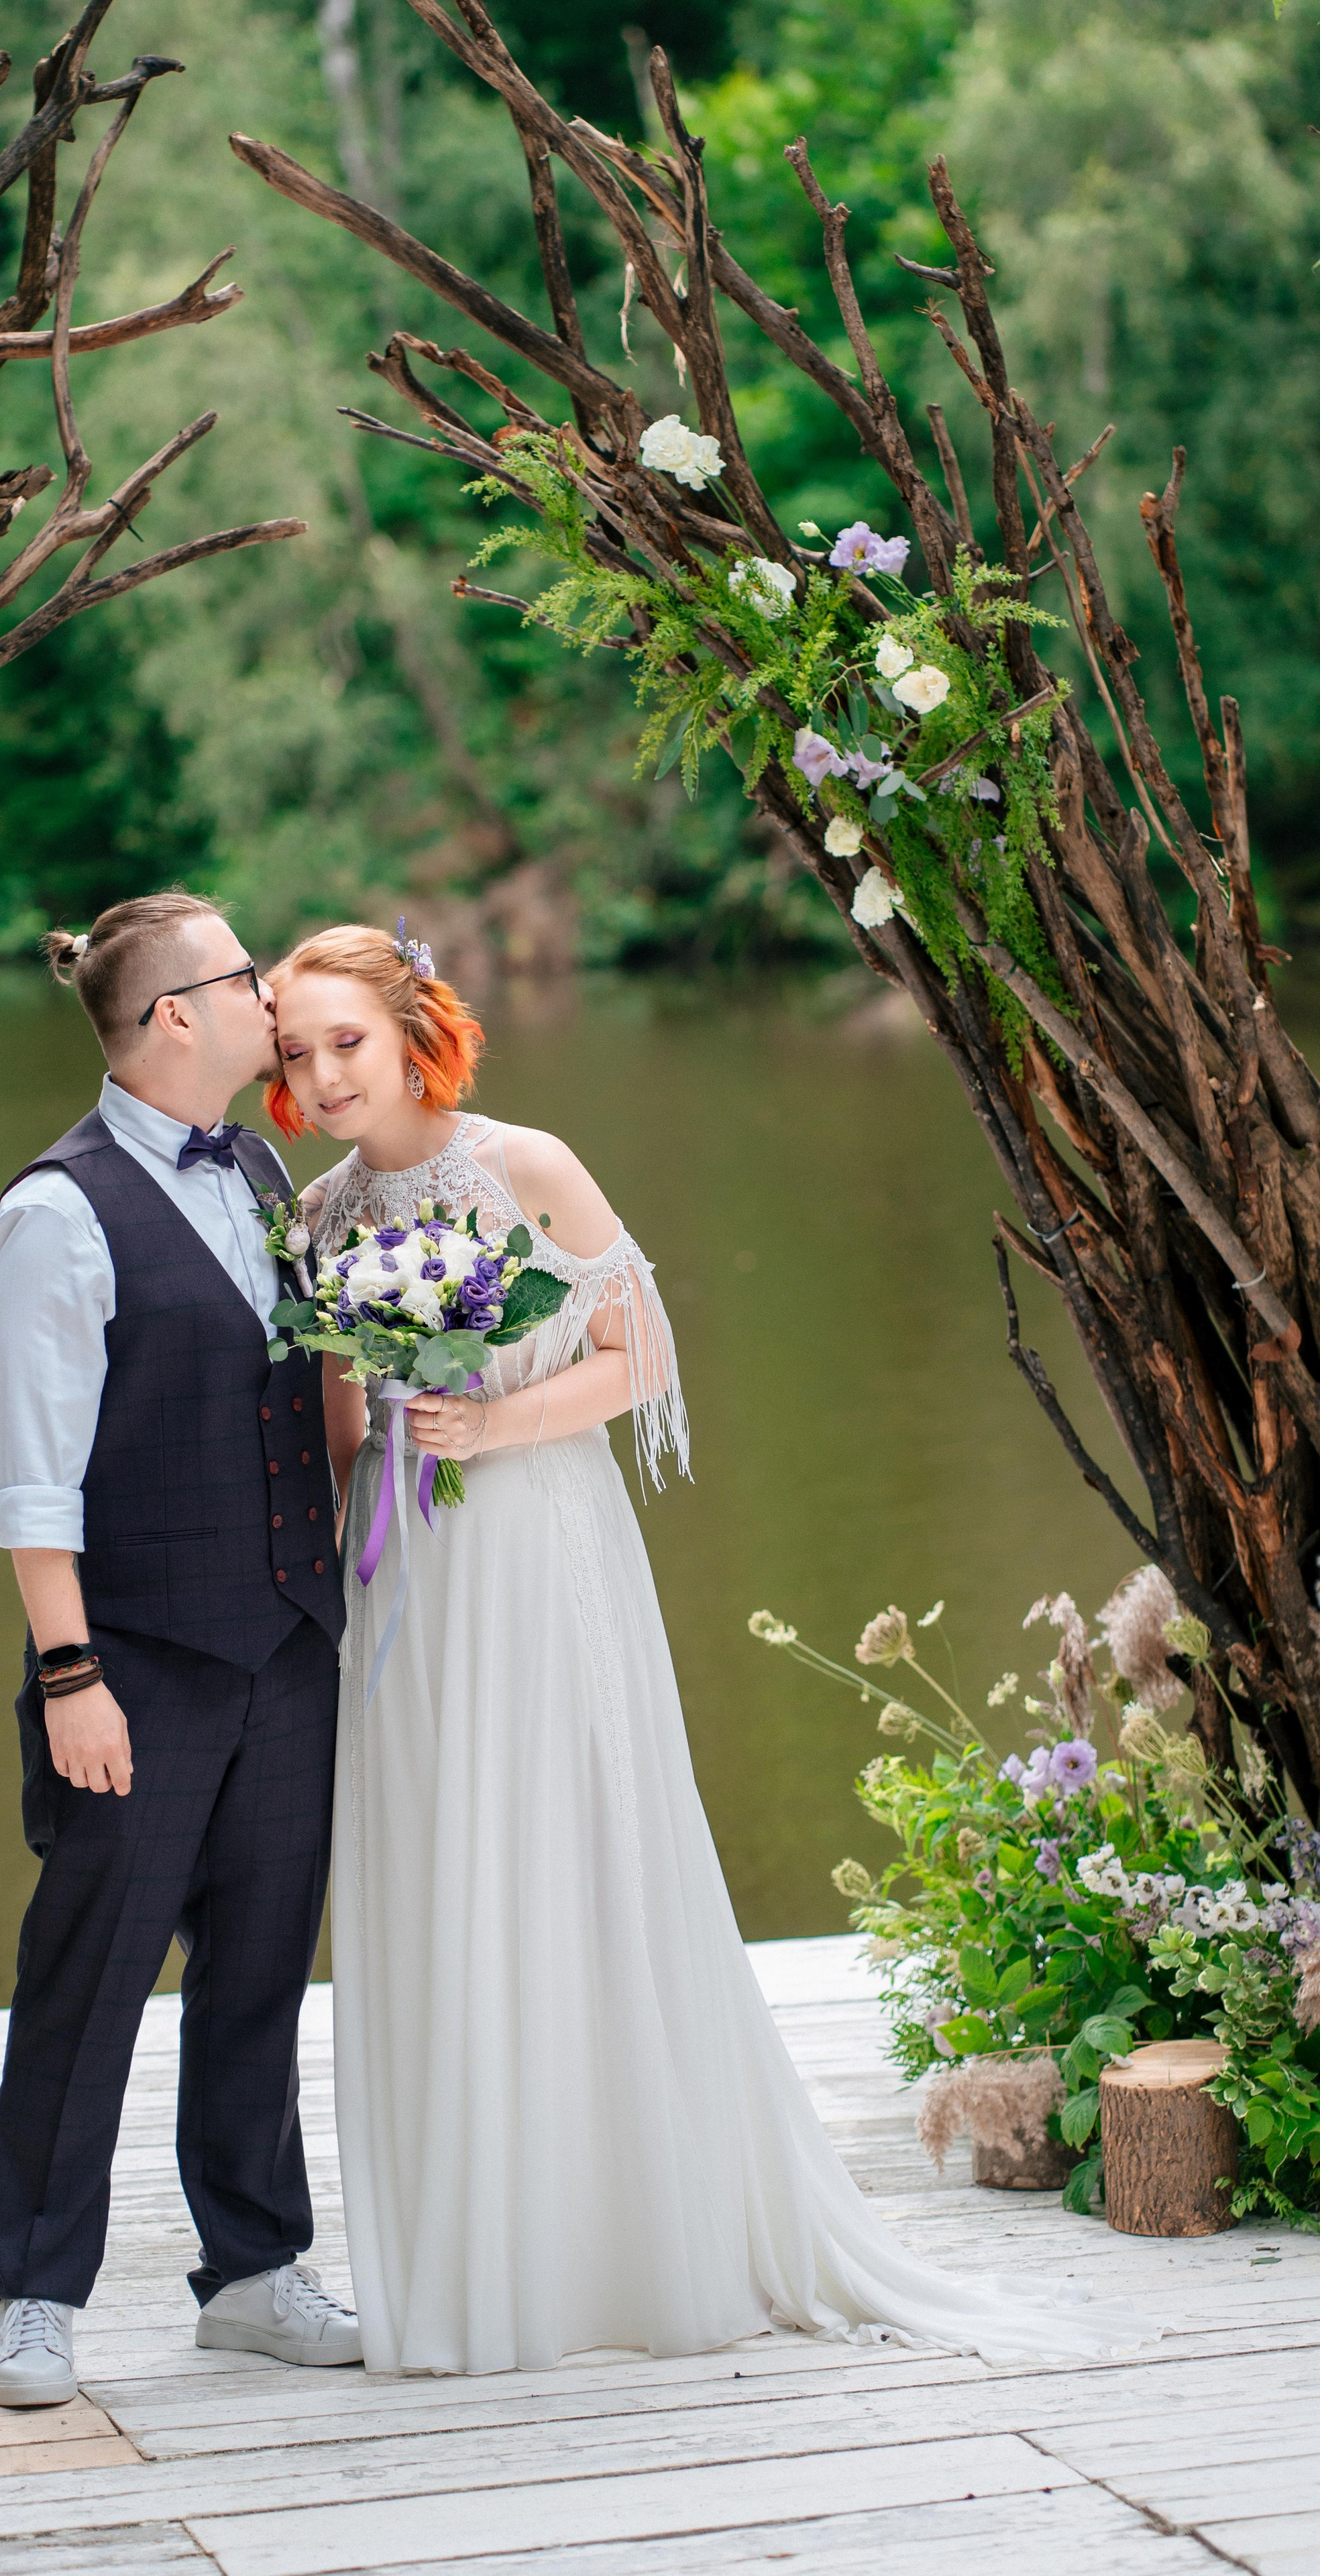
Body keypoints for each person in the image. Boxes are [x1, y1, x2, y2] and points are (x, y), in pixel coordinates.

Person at [267, 920, 1150, 2377]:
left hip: (536, 1546)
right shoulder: (315, 1217)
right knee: (440, 1858)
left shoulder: (524, 1165)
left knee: (569, 1846)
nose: (318, 1072)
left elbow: (641, 1356)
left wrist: (492, 1420)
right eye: (294, 1054)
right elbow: (339, 1424)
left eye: (342, 1040)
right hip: (408, 1570)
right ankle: (478, 2256)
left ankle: (631, 2235)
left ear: (413, 1024)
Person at [0, 890, 361, 2408]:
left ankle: (254, 2271)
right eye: (244, 973)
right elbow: (30, 1478)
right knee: (88, 1979)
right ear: (174, 1019)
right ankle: (33, 2293)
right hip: (132, 1663)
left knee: (260, 1970)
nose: (271, 994)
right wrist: (70, 1678)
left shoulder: (261, 1166)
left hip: (284, 1644)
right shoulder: (52, 1215)